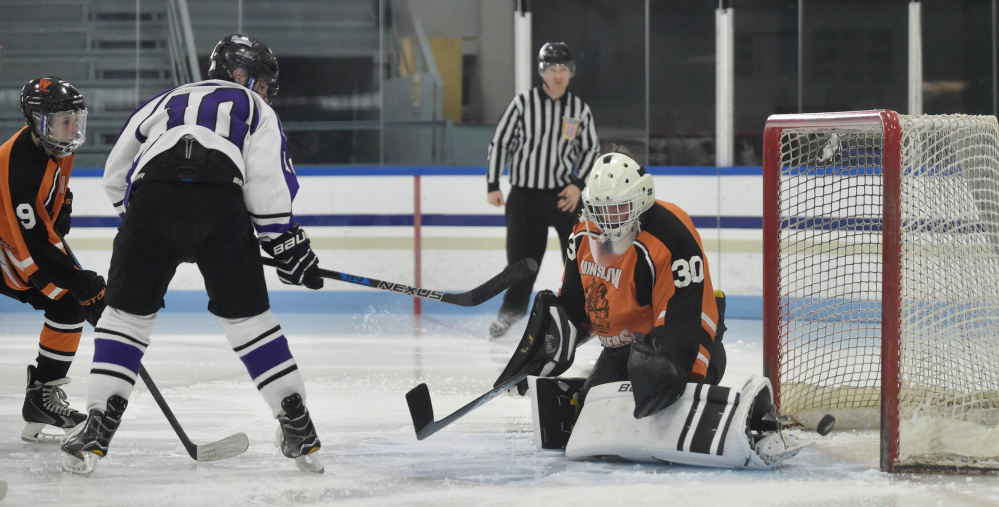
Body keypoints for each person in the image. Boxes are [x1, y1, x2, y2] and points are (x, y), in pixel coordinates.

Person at [60, 33, 325, 475]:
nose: (264, 91)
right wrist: (281, 240)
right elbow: (267, 179)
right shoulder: (255, 108)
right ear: (241, 74)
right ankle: (298, 428)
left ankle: (96, 429)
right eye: (261, 81)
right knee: (250, 322)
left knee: (124, 319)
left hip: (150, 201)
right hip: (222, 203)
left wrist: (149, 221)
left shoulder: (162, 100)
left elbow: (114, 174)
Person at [494, 149, 727, 448]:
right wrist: (543, 347)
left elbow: (686, 313)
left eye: (617, 209)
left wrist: (674, 367)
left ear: (642, 199)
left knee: (658, 388)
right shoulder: (582, 234)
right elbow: (577, 307)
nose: (607, 221)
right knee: (596, 408)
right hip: (626, 347)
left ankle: (704, 366)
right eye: (600, 210)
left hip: (678, 336)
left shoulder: (671, 234)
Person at [0, 77, 106, 442]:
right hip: (8, 244)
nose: (74, 129)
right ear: (37, 120)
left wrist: (60, 207)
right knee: (69, 295)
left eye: (77, 118)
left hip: (8, 241)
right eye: (65, 121)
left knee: (67, 305)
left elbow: (44, 226)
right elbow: (33, 245)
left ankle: (40, 398)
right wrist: (81, 282)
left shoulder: (57, 148)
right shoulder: (20, 164)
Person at [485, 41, 600, 339]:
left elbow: (590, 150)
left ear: (571, 71)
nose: (557, 74)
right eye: (551, 68)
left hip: (563, 196)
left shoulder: (578, 110)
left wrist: (577, 185)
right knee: (522, 262)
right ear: (542, 71)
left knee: (576, 259)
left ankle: (582, 316)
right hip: (524, 196)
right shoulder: (523, 104)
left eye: (562, 68)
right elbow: (500, 142)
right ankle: (511, 313)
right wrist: (493, 184)